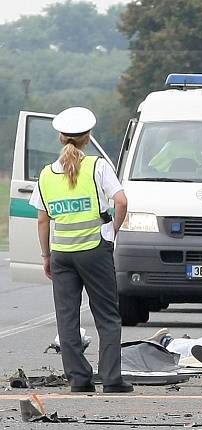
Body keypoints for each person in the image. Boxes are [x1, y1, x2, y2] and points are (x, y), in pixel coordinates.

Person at [31, 106, 134, 394]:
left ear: (61, 138)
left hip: (62, 253)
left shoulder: (46, 175)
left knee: (67, 318)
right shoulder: (97, 166)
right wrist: (112, 230)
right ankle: (112, 379)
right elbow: (122, 201)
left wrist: (46, 256)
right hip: (94, 250)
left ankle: (78, 378)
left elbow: (42, 219)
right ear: (88, 138)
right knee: (107, 316)